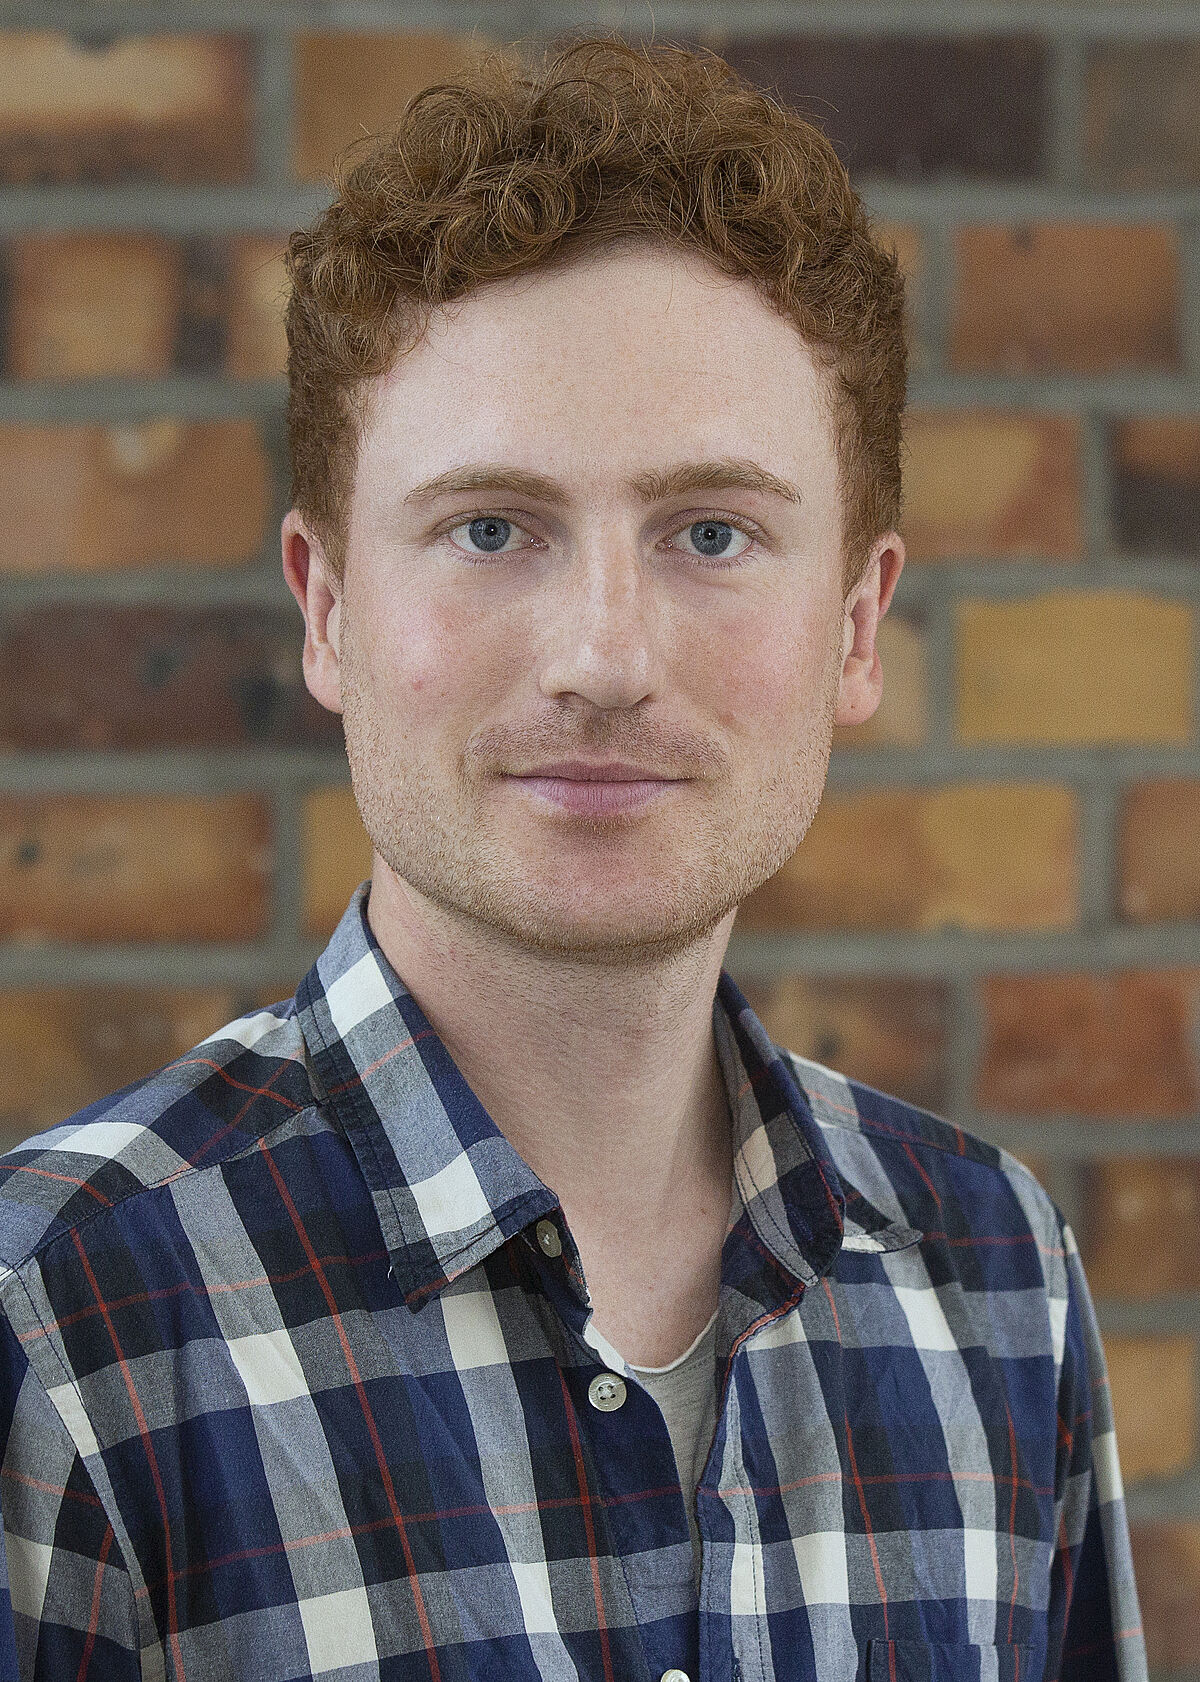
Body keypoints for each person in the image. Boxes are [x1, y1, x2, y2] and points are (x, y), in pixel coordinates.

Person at [0, 35, 1145, 1682]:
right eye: (491, 528)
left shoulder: (992, 1279)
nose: (604, 655)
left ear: (858, 619)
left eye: (710, 533)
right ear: (327, 604)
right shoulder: (67, 1325)